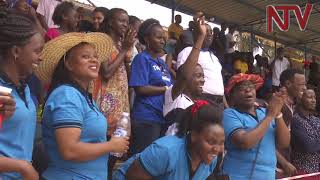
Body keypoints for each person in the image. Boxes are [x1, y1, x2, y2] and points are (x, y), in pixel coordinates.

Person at [36, 32, 129, 180]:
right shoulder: (67, 95)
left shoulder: (83, 96)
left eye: (95, 56)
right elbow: (70, 150)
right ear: (68, 63)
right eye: (85, 56)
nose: (94, 60)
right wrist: (111, 146)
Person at [113, 101, 225, 180]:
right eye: (211, 142)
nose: (217, 149)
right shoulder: (165, 150)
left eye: (221, 143)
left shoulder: (211, 158)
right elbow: (131, 177)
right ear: (194, 135)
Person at [0, 9, 44, 179]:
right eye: (37, 51)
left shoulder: (23, 87)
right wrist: (22, 166)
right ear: (16, 51)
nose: (41, 58)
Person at [222, 73, 290, 179]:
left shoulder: (264, 112)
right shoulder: (229, 114)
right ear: (232, 95)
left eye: (251, 87)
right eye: (241, 88)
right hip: (238, 175)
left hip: (267, 176)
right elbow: (245, 142)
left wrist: (278, 113)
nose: (248, 90)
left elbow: (284, 143)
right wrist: (270, 115)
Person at [129, 18, 173, 154]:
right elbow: (140, 88)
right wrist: (166, 89)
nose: (162, 41)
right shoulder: (142, 58)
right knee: (142, 158)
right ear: (147, 39)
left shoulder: (162, 62)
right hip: (146, 118)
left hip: (161, 117)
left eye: (163, 38)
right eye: (158, 37)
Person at [163, 15, 207, 135]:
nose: (203, 80)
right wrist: (200, 38)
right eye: (198, 75)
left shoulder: (196, 106)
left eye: (203, 76)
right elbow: (184, 76)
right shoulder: (173, 96)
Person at [177, 20, 226, 108]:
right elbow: (182, 77)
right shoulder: (188, 51)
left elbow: (219, 83)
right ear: (197, 34)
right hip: (201, 99)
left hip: (219, 102)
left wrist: (226, 106)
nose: (210, 34)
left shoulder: (215, 57)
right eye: (205, 31)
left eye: (211, 32)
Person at [276, 68, 306, 177]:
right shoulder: (279, 105)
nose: (304, 88)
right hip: (277, 165)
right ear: (288, 83)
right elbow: (266, 140)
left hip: (284, 160)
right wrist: (284, 163)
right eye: (301, 84)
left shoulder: (291, 104)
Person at [291, 89, 320, 176]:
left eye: (314, 97)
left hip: (317, 170)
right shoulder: (296, 120)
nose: (314, 100)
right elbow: (308, 146)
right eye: (310, 97)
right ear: (300, 99)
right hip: (303, 170)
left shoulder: (316, 120)